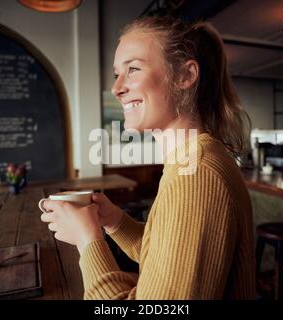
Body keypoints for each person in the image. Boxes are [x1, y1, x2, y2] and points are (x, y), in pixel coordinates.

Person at [39, 15, 255, 300]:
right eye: (117, 73)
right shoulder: (190, 160)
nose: (117, 88)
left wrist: (87, 240)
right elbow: (166, 257)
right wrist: (115, 221)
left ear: (185, 76)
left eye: (134, 69)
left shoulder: (196, 173)